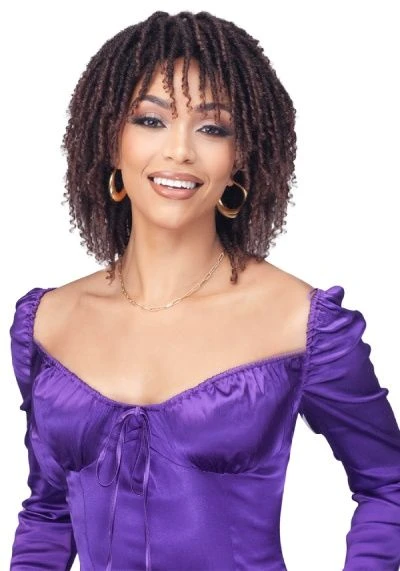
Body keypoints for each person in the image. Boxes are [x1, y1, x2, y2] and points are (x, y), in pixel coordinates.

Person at [9, 10, 400, 571]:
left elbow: (388, 486)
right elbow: (48, 514)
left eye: (212, 128)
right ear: (110, 141)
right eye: (150, 120)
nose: (180, 151)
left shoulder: (300, 322)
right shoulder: (48, 322)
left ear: (240, 159)